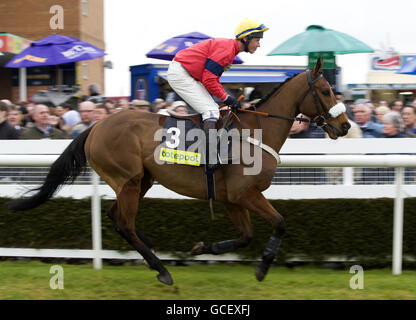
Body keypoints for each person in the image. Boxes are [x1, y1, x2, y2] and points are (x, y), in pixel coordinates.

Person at [167, 18, 268, 169]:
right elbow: (209, 80)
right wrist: (227, 98)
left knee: (214, 109)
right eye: (257, 40)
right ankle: (209, 157)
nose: (259, 44)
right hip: (181, 73)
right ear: (245, 38)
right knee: (211, 111)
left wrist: (227, 99)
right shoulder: (227, 50)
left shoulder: (229, 50)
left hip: (187, 73)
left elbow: (211, 80)